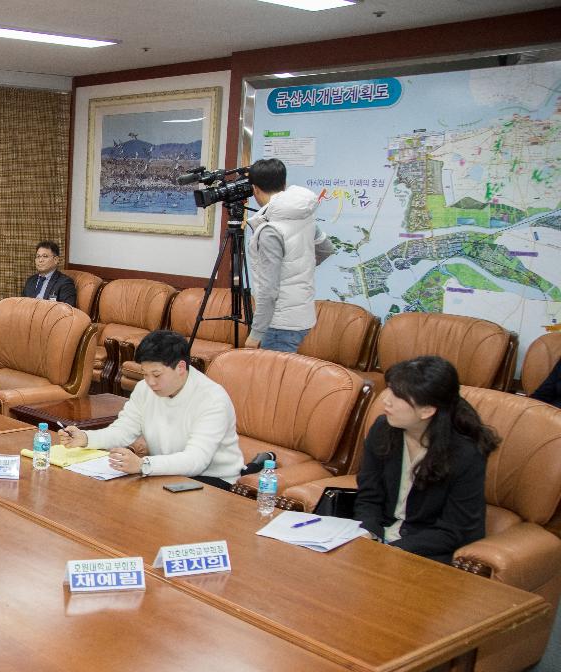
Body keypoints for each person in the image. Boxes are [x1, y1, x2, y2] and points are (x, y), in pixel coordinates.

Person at [355, 355, 499, 565]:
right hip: (380, 538)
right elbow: (369, 495)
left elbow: (454, 530)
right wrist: (369, 533)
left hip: (426, 551)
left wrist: (391, 551)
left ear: (427, 410)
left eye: (397, 395)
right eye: (389, 389)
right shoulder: (383, 428)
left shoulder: (465, 454)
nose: (386, 399)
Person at [58, 330, 244, 488]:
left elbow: (196, 460)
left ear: (181, 367)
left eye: (156, 375)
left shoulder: (212, 399)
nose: (150, 382)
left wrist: (142, 464)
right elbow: (123, 431)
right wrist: (86, 438)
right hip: (165, 472)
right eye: (145, 374)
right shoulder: (144, 389)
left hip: (212, 481)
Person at [242, 158, 334, 352]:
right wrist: (297, 267)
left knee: (272, 380)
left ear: (255, 190)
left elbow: (269, 290)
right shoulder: (304, 218)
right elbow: (326, 248)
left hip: (279, 323)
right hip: (302, 317)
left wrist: (255, 334)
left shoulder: (270, 230)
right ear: (283, 185)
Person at [20, 241, 76, 307]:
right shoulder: (31, 280)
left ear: (56, 260)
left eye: (45, 256)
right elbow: (22, 305)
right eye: (38, 256)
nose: (40, 260)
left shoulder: (65, 283)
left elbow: (67, 311)